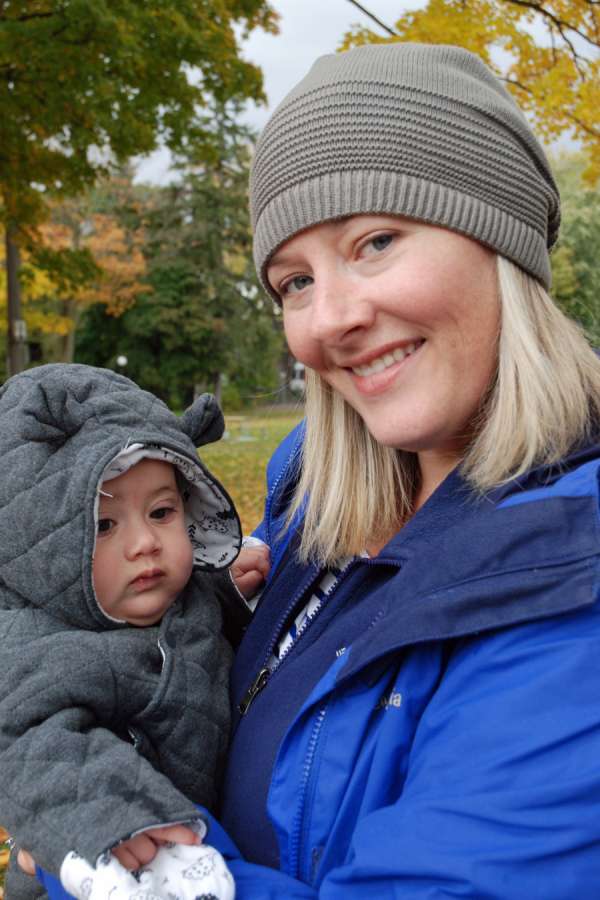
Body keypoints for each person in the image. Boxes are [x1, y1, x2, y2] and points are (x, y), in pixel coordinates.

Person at [24, 40, 600, 898]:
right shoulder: (313, 489)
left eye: (375, 240)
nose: (329, 318)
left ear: (500, 238)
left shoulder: (572, 584)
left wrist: (119, 845)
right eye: (294, 281)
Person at [0, 363, 268, 899]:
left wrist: (230, 595)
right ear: (40, 545)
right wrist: (118, 816)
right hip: (111, 870)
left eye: (162, 511)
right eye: (103, 525)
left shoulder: (183, 595)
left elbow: (192, 640)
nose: (144, 542)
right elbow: (33, 746)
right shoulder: (34, 650)